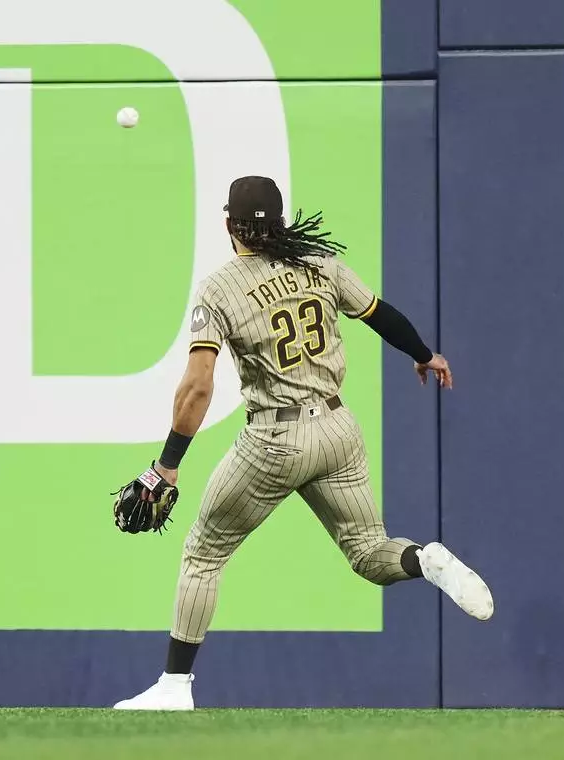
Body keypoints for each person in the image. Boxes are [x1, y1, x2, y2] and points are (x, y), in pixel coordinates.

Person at [113, 177, 492, 711]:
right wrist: (424, 354)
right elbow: (380, 314)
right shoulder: (319, 262)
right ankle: (425, 560)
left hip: (275, 438)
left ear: (228, 225)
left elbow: (198, 387)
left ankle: (175, 687)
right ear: (281, 222)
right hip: (338, 431)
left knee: (204, 551)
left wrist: (167, 465)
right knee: (370, 555)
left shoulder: (220, 288)